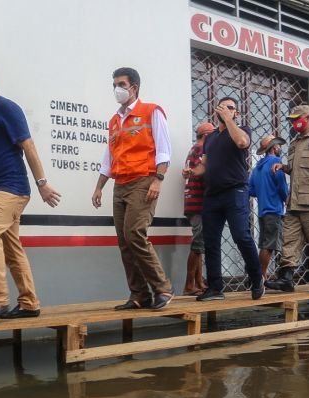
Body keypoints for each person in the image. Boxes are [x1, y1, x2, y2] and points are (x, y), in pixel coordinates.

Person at [0, 59, 61, 321]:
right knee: (10, 247)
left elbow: (28, 146)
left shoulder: (5, 107)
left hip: (11, 187)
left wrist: (42, 183)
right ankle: (29, 303)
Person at [92, 67, 174, 310]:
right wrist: (99, 188)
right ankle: (139, 295)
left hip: (143, 181)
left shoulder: (151, 111)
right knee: (124, 241)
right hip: (120, 184)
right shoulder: (115, 121)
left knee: (134, 233)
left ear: (134, 87)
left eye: (121, 84)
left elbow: (163, 149)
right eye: (114, 84)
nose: (116, 89)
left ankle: (163, 288)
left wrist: (158, 180)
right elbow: (109, 158)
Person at [190, 97, 264, 302]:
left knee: (241, 236)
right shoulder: (211, 138)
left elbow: (242, 142)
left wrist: (228, 120)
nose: (225, 110)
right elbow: (204, 165)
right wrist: (192, 171)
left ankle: (257, 279)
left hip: (235, 191)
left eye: (230, 107)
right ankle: (215, 288)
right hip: (212, 195)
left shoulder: (242, 130)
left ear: (236, 113)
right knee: (211, 242)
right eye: (222, 107)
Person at [266, 104, 309, 293]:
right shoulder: (294, 143)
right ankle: (286, 278)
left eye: (297, 119)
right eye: (292, 120)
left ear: (307, 117)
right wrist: (283, 167)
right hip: (294, 202)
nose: (294, 123)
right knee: (289, 241)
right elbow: (295, 168)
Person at [181, 122, 214, 295]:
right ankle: (189, 284)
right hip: (198, 201)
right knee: (198, 243)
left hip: (191, 202)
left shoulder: (193, 149)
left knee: (200, 244)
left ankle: (199, 282)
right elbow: (204, 173)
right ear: (207, 136)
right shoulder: (201, 150)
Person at [249, 134, 288, 279]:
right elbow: (282, 188)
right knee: (270, 246)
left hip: (262, 210)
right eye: (278, 145)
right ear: (274, 147)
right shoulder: (276, 162)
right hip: (275, 209)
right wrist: (288, 199)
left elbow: (251, 190)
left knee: (264, 245)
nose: (279, 147)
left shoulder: (257, 167)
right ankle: (261, 277)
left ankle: (259, 276)